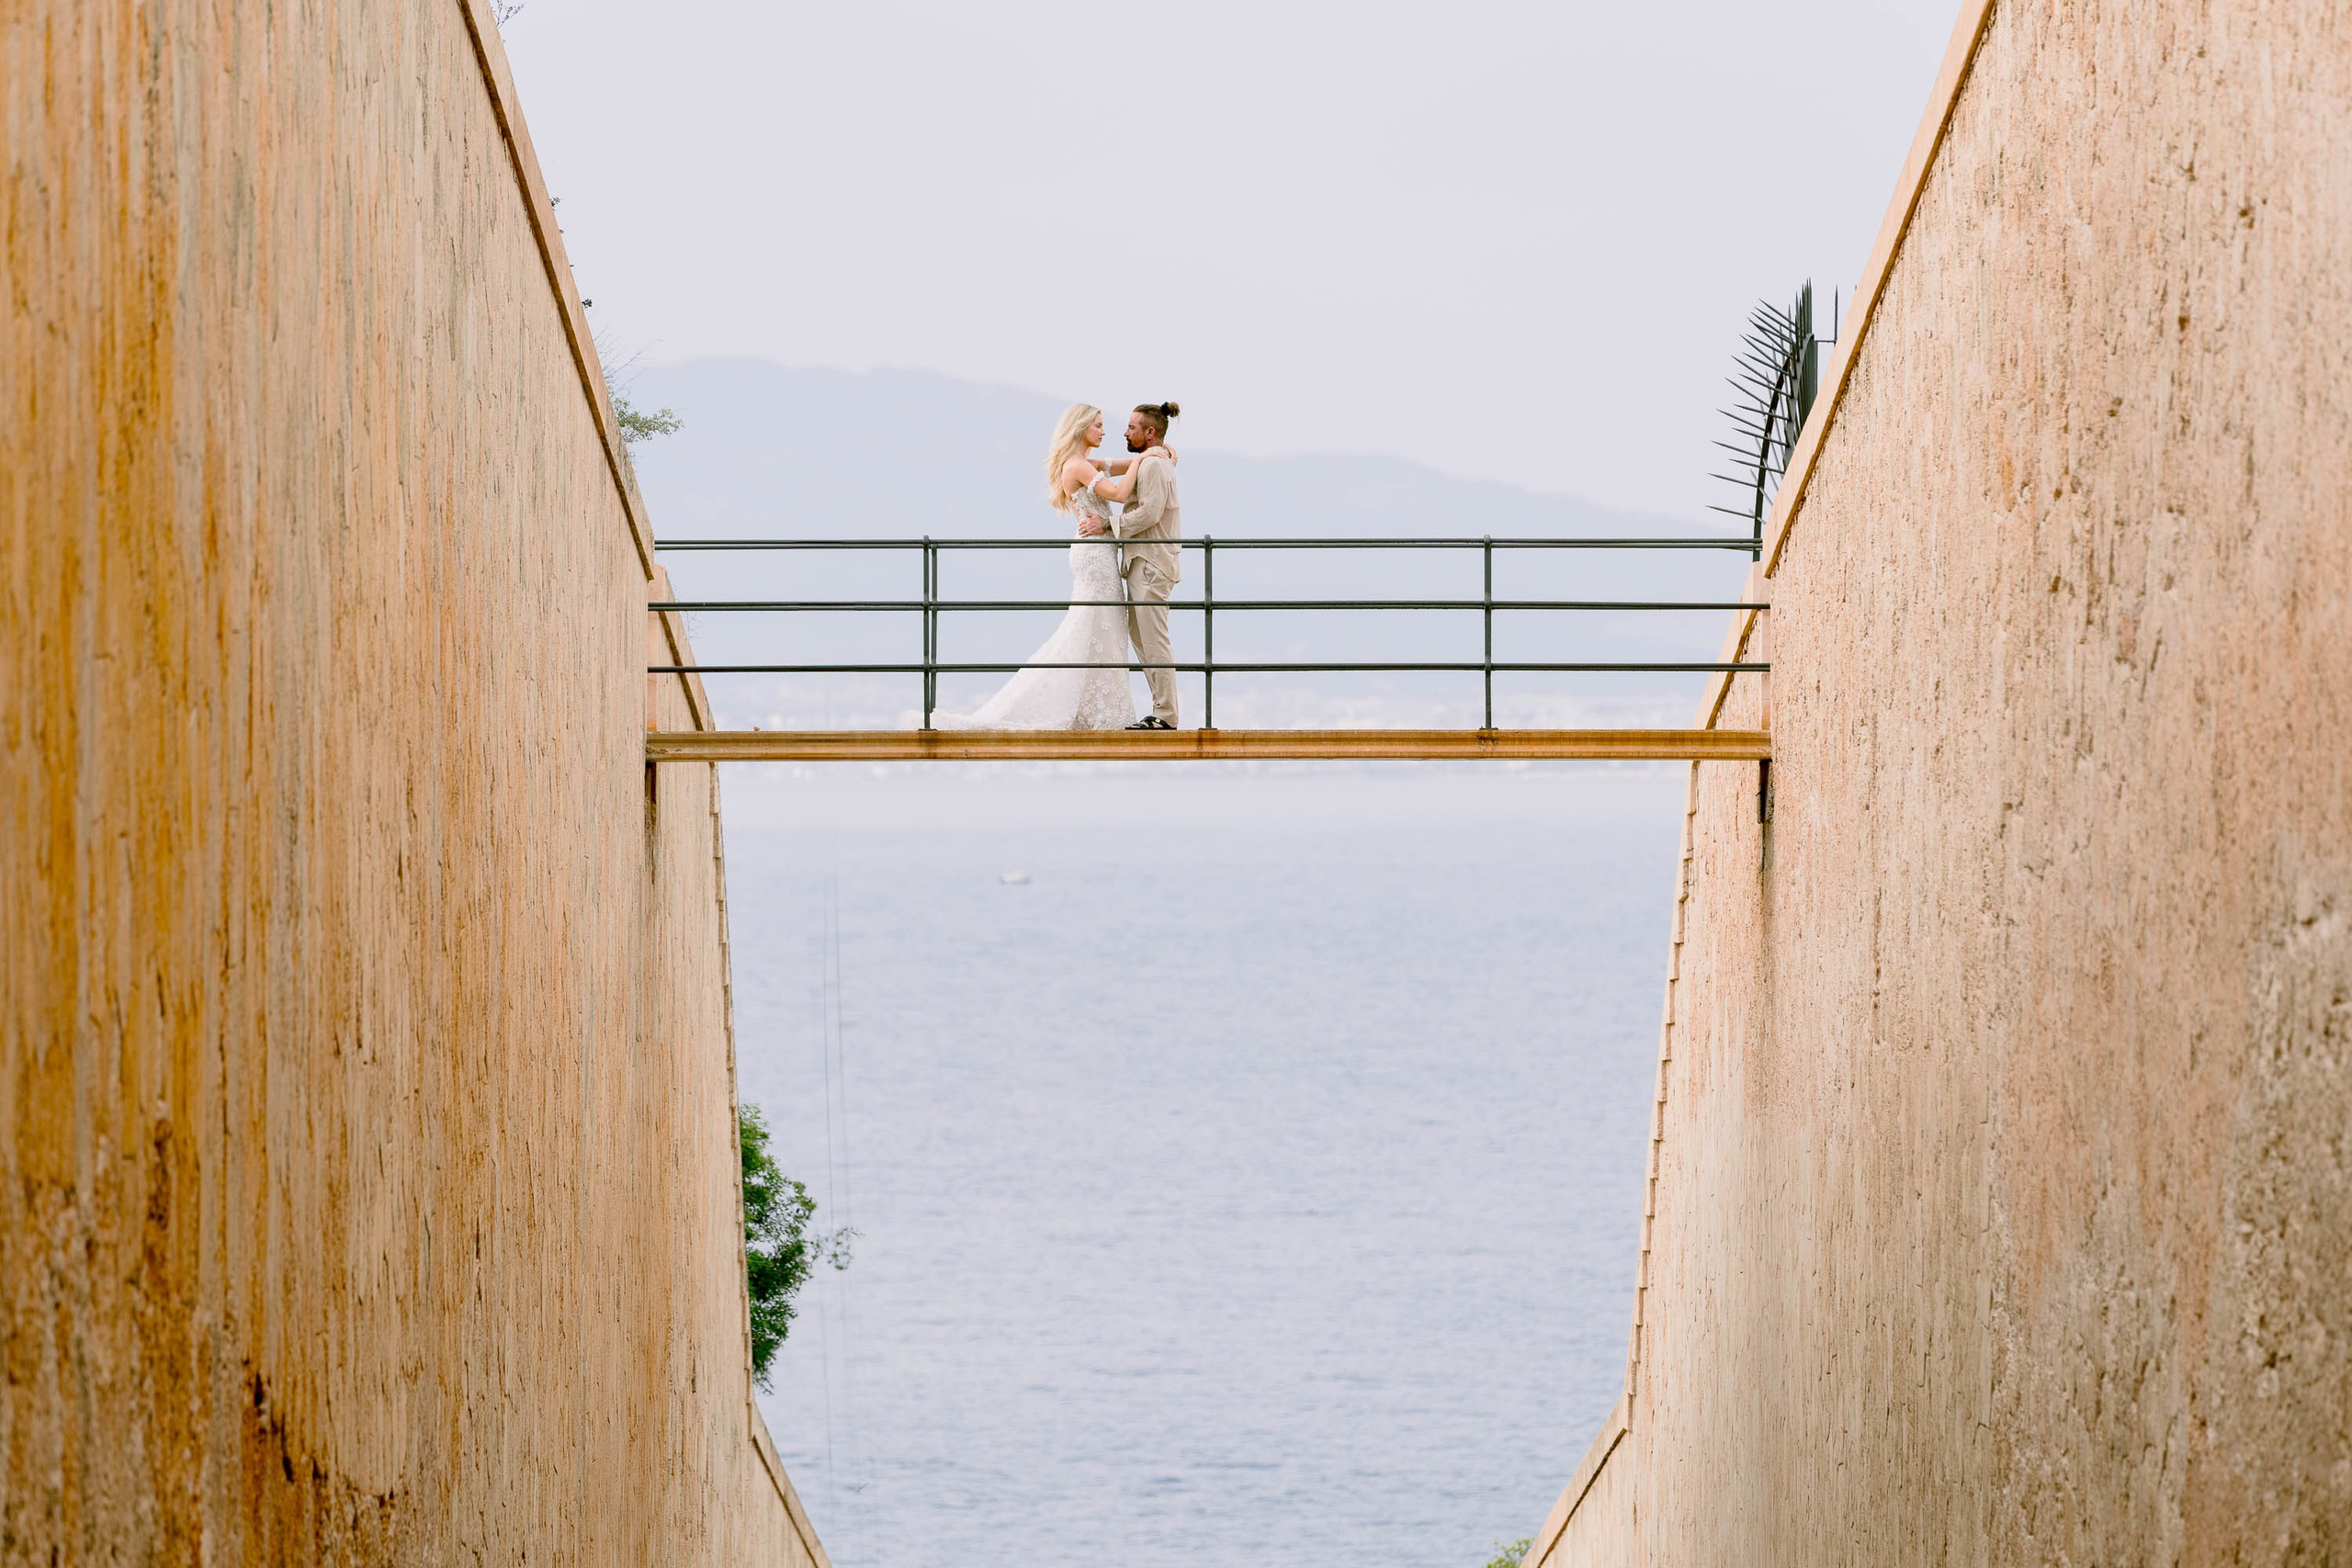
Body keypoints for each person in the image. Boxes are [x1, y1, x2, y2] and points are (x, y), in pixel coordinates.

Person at [928, 403, 1159, 730]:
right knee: (1095, 625)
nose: (1104, 432)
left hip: (1099, 553)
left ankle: (1097, 710)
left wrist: (1151, 454)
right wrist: (1152, 458)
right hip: (1094, 556)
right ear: (1081, 428)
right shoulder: (1078, 466)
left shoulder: (1084, 464)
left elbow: (1127, 465)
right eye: (1098, 425)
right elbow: (1121, 493)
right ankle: (1095, 713)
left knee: (1102, 626)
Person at [1079, 402, 1182, 728]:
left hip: (1151, 563)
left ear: (1149, 433)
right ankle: (1161, 711)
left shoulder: (1153, 466)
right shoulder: (1151, 460)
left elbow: (1150, 513)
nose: (1125, 432)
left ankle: (1166, 715)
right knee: (1144, 638)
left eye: (1132, 428)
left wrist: (1106, 524)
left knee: (1153, 639)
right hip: (1144, 562)